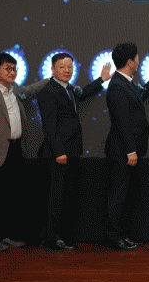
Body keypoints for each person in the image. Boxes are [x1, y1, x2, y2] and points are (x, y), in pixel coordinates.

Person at [37, 53, 112, 251]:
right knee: (56, 197)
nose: (67, 70)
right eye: (62, 67)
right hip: (58, 154)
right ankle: (51, 238)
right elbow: (49, 126)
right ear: (53, 69)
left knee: (67, 196)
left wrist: (101, 80)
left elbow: (83, 93)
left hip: (71, 152)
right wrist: (59, 152)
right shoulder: (48, 91)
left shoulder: (69, 89)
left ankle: (62, 236)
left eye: (70, 66)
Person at [0, 53, 49, 253]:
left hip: (15, 149)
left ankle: (6, 236)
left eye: (14, 69)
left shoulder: (14, 90)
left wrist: (50, 78)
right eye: (8, 68)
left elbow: (31, 89)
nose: (12, 72)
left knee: (10, 196)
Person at [105, 43, 149, 250]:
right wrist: (130, 150)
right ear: (130, 62)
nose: (138, 62)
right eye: (137, 59)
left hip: (129, 151)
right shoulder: (117, 86)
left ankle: (124, 234)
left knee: (126, 195)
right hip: (123, 152)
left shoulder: (124, 83)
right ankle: (115, 237)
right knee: (119, 196)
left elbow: (138, 98)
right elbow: (122, 122)